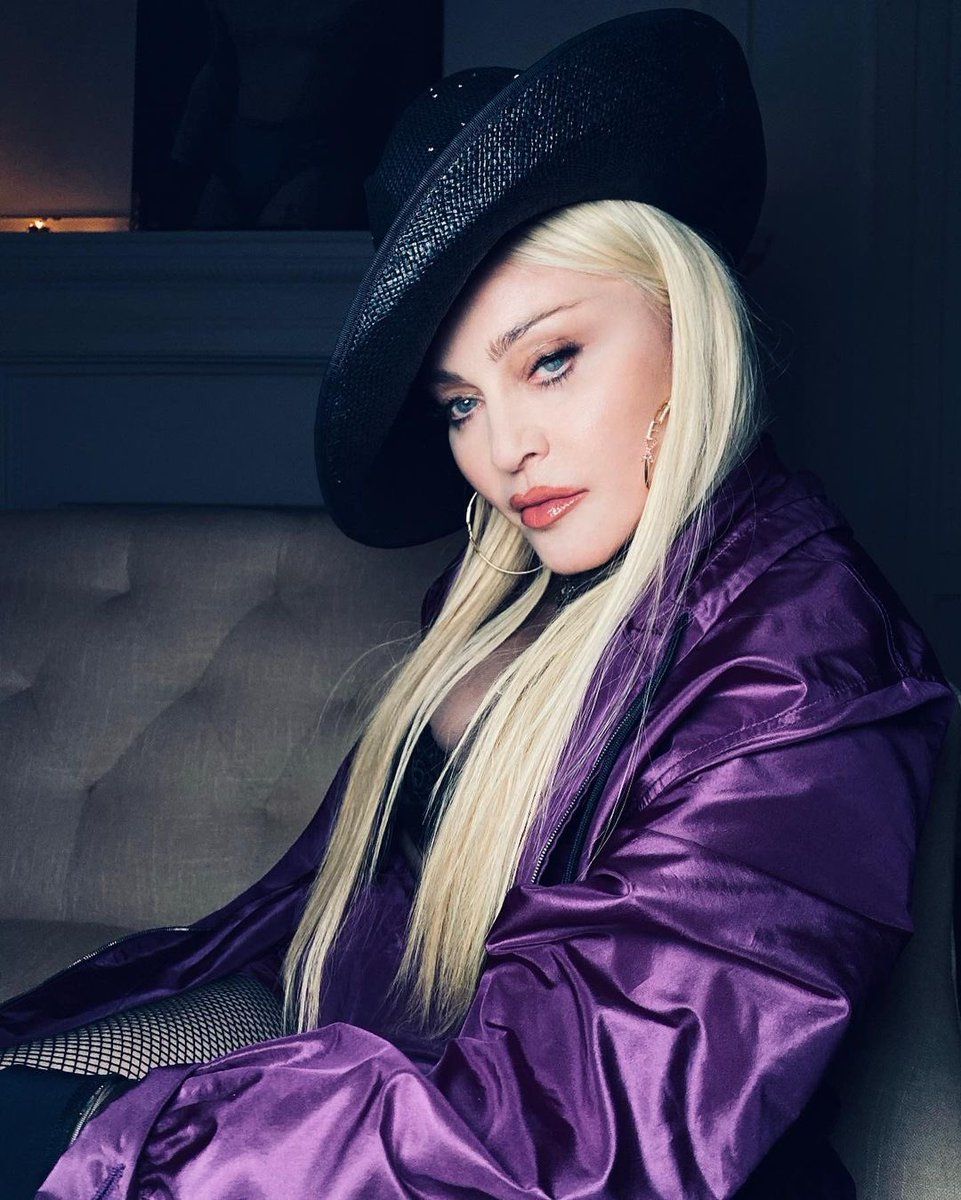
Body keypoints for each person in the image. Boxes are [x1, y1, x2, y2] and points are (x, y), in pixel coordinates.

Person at [1, 9, 956, 1198]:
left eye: (549, 359)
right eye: (459, 403)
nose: (502, 452)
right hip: (375, 1092)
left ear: (686, 317)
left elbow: (582, 1130)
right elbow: (335, 935)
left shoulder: (802, 668)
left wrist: (122, 1151)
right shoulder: (510, 585)